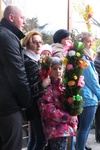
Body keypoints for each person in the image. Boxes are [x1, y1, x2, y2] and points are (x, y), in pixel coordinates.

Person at [0, 5, 32, 150]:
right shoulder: (7, 37)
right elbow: (17, 73)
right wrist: (26, 101)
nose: (24, 22)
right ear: (11, 18)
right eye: (22, 18)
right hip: (8, 106)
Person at [37, 56, 77, 150]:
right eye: (54, 69)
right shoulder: (48, 89)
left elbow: (70, 106)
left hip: (63, 127)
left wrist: (74, 120)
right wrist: (69, 118)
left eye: (60, 68)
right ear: (48, 70)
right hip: (54, 129)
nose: (58, 71)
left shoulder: (62, 87)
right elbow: (48, 110)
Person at [22, 31, 50, 150]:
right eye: (35, 42)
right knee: (41, 139)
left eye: (40, 42)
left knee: (34, 138)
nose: (39, 45)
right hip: (36, 105)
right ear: (28, 44)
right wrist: (43, 84)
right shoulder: (30, 62)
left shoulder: (35, 58)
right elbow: (30, 87)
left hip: (35, 105)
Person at [75, 32, 100, 150]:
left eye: (92, 41)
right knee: (85, 128)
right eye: (88, 41)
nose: (91, 44)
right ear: (82, 43)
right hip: (88, 97)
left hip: (85, 95)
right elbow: (91, 79)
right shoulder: (83, 58)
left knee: (84, 127)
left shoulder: (86, 57)